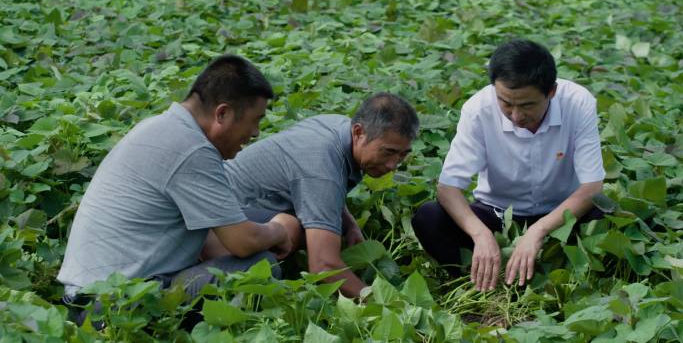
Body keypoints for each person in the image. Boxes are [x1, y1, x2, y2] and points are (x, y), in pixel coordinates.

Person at [58, 55, 300, 304]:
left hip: (93, 293)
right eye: (255, 120)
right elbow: (242, 242)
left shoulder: (163, 126)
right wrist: (279, 231)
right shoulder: (191, 149)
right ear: (223, 114)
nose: (256, 133)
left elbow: (218, 238)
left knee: (250, 228)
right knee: (259, 268)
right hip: (113, 304)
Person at [411, 39, 605, 292]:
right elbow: (448, 188)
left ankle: (557, 280)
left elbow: (592, 187)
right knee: (429, 217)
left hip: (561, 216)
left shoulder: (578, 103)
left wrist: (538, 231)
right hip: (497, 214)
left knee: (605, 216)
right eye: (506, 103)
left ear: (551, 92)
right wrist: (481, 235)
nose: (516, 116)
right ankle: (476, 281)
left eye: (527, 105)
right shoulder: (478, 110)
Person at [202, 92, 419, 297]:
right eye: (388, 152)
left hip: (213, 200)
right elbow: (323, 266)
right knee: (290, 230)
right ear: (359, 132)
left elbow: (324, 188)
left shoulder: (337, 126)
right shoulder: (322, 164)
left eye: (402, 155)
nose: (393, 165)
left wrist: (349, 224)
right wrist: (384, 306)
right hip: (217, 222)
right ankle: (219, 259)